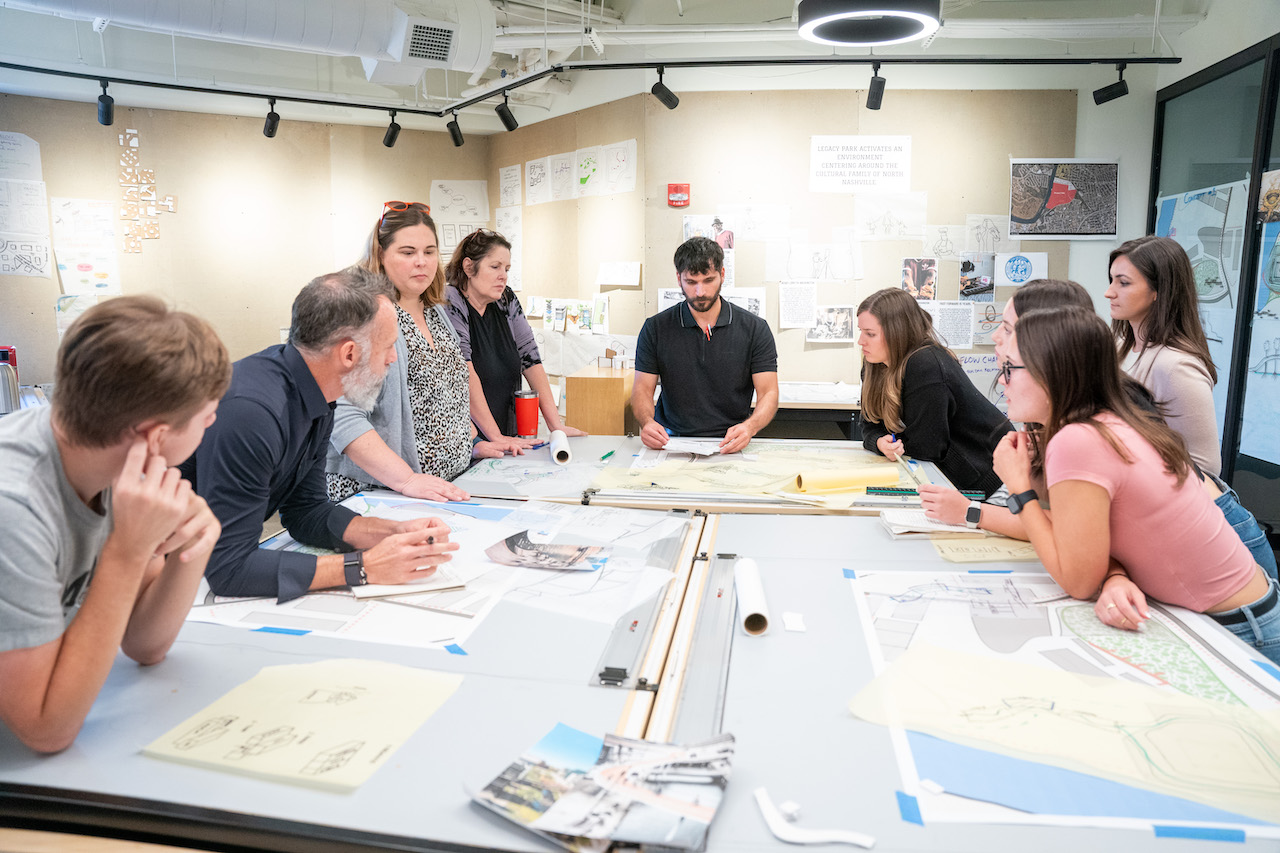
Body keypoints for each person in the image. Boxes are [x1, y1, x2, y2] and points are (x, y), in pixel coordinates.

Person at [920, 280, 1277, 578]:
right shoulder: (1056, 407)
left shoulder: (1095, 420)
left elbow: (1070, 532)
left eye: (1009, 328)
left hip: (1223, 544)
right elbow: (1073, 523)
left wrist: (978, 508)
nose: (998, 338)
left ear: (1049, 341)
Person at [0, 296, 229, 752]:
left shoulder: (108, 465)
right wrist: (126, 552)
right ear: (155, 436)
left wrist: (194, 546)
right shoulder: (15, 507)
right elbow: (46, 729)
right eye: (208, 418)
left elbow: (145, 644)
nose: (213, 423)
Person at [992, 307, 1277, 664]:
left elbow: (1077, 582)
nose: (1001, 381)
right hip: (1233, 611)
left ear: (1052, 374)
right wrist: (1114, 576)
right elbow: (1088, 544)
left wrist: (1020, 489)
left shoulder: (1078, 440)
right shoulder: (1104, 421)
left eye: (1009, 369)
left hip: (1236, 628)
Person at [181, 268, 459, 602]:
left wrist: (393, 532)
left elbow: (306, 512)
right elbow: (230, 568)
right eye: (387, 346)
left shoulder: (320, 392)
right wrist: (363, 567)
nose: (392, 358)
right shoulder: (253, 413)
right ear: (349, 354)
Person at [325, 202, 505, 504]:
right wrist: (406, 479)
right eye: (408, 253)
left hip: (445, 487)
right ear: (381, 255)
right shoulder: (365, 315)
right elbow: (342, 417)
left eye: (429, 251)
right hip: (381, 495)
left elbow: (444, 396)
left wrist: (470, 443)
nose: (421, 262)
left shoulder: (437, 311)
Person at [858, 287, 1011, 497]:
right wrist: (878, 442)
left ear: (897, 333)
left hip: (990, 480)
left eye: (870, 334)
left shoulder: (926, 364)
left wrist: (893, 441)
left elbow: (927, 447)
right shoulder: (874, 364)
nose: (861, 341)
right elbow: (868, 424)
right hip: (946, 476)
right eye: (861, 332)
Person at [632, 236, 779, 452]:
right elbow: (642, 390)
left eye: (708, 280)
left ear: (722, 274)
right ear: (678, 278)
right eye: (691, 282)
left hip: (731, 440)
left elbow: (769, 393)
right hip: (672, 441)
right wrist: (647, 423)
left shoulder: (755, 329)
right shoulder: (655, 328)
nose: (700, 292)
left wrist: (750, 427)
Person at [443, 229, 585, 443]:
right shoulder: (451, 301)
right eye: (495, 267)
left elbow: (531, 359)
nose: (503, 275)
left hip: (507, 432)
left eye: (507, 268)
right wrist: (495, 437)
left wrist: (555, 426)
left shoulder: (505, 299)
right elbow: (465, 373)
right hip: (471, 440)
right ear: (469, 267)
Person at [1107, 235, 1220, 475]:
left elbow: (1205, 469)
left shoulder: (1176, 366)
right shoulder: (1118, 346)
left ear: (1158, 291)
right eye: (1111, 281)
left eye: (1123, 283)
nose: (1109, 292)